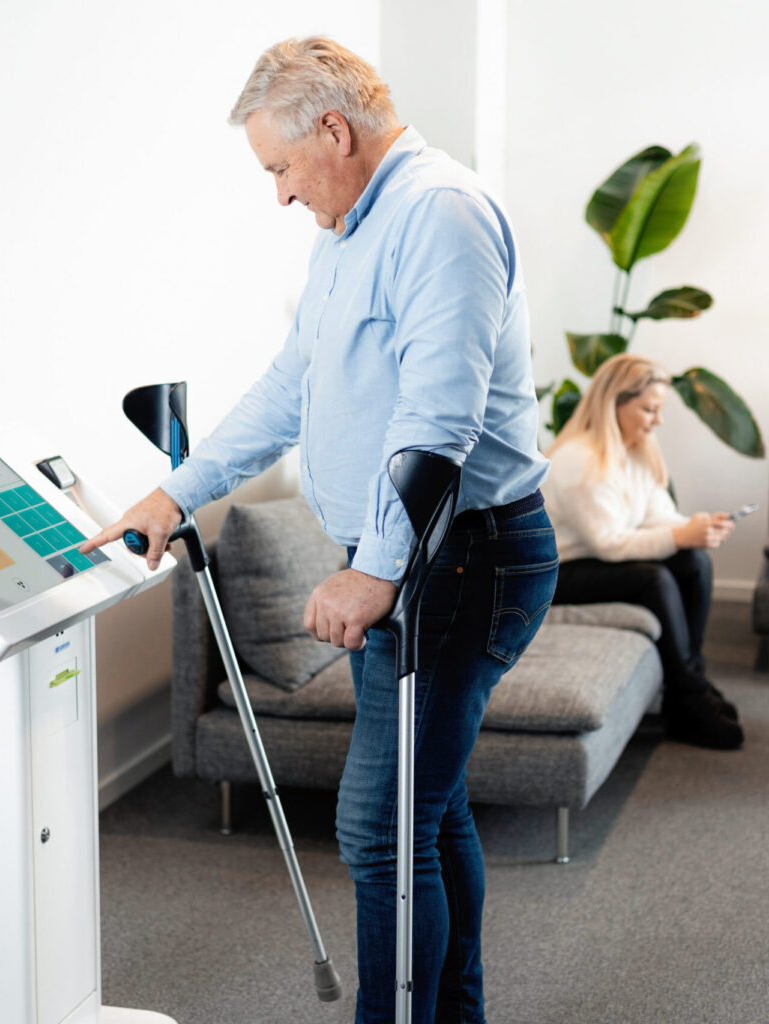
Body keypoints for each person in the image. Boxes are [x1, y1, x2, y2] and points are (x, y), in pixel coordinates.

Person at [82, 37, 556, 1024]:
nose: (282, 195)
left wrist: (375, 570)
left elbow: (438, 418)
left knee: (380, 828)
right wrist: (174, 494)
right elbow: (288, 388)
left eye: (281, 168)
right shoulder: (348, 231)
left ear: (333, 130)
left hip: (461, 561)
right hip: (425, 558)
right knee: (430, 809)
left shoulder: (440, 216)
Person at [542, 353, 743, 749]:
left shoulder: (634, 450)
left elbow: (658, 514)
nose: (658, 420)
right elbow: (611, 543)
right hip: (559, 573)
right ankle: (687, 697)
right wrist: (682, 534)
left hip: (597, 559)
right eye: (649, 409)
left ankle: (691, 681)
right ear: (614, 403)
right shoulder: (577, 461)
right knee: (654, 579)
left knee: (694, 561)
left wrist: (695, 527)